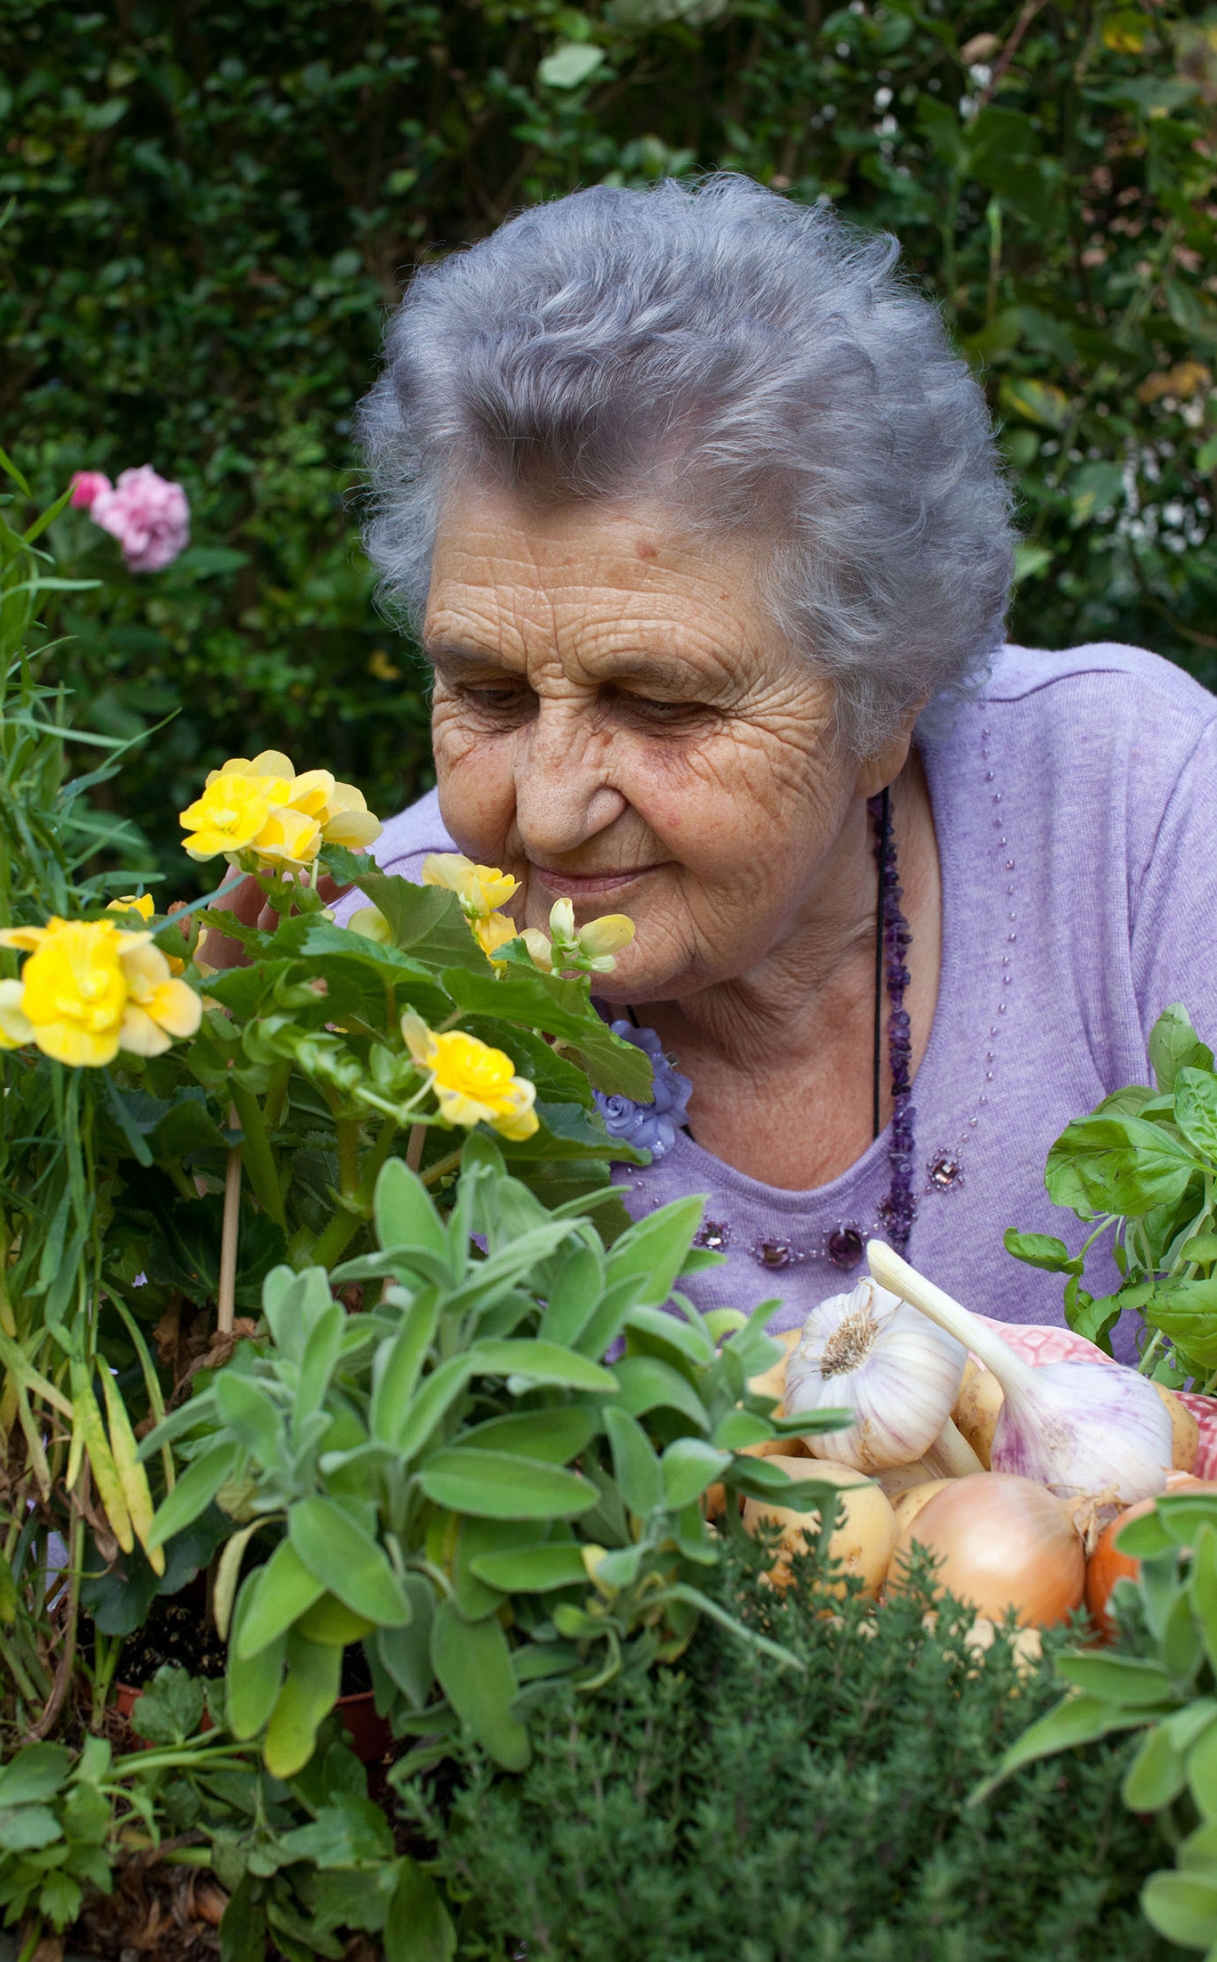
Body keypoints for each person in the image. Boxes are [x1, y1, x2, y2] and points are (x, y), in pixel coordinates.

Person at [288, 177, 1217, 1332]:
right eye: (488, 691)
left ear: (882, 703)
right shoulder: (375, 977)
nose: (549, 807)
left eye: (661, 702)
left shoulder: (1129, 805)